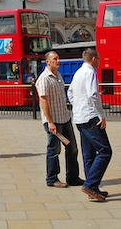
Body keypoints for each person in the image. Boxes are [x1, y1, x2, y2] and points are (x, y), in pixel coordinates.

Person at [68, 48, 112, 202]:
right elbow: (93, 94)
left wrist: (78, 105)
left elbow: (70, 93)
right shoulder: (90, 72)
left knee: (89, 154)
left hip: (79, 118)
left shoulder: (78, 72)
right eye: (99, 58)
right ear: (94, 59)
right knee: (105, 151)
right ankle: (90, 184)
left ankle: (92, 186)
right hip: (91, 117)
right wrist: (101, 114)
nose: (99, 61)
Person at [35, 51, 82, 188]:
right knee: (54, 149)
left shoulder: (58, 76)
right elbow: (43, 101)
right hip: (54, 120)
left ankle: (73, 177)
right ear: (48, 62)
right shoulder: (44, 78)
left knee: (72, 147)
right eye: (55, 59)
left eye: (58, 58)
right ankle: (52, 178)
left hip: (64, 117)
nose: (58, 61)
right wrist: (49, 121)